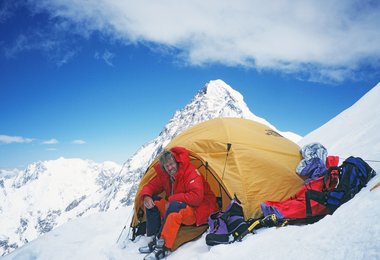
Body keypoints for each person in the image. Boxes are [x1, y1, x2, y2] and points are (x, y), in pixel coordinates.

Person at [138, 146, 217, 260]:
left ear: (176, 161)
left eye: (171, 164)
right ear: (164, 168)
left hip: (197, 211)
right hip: (177, 207)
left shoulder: (190, 172)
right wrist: (146, 196)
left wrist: (172, 199)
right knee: (153, 201)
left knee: (175, 207)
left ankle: (163, 248)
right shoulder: (166, 176)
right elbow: (150, 186)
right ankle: (153, 238)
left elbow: (197, 198)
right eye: (167, 166)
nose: (170, 168)